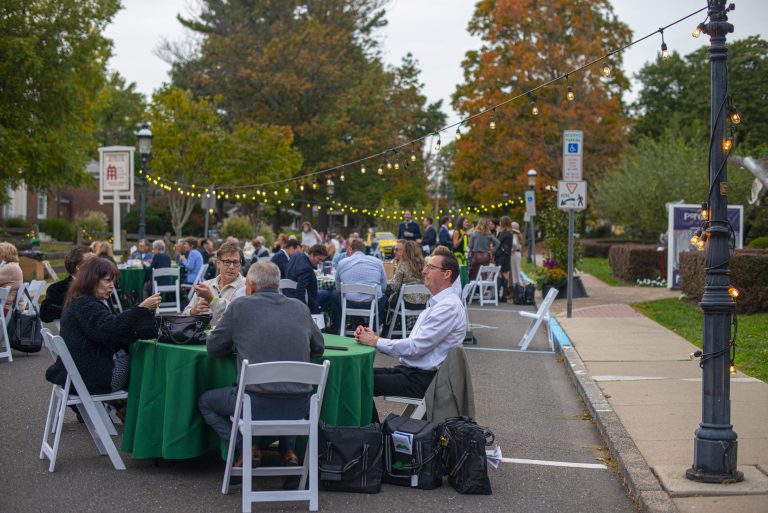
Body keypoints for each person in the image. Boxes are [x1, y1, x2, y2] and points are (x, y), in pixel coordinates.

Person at [198, 261, 324, 469]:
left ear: (251, 286)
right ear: (278, 285)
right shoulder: (300, 308)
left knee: (206, 401)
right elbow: (318, 348)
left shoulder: (240, 307)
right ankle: (288, 453)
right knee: (287, 388)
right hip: (300, 407)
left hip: (254, 405)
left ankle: (245, 449)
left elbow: (213, 348)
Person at [354, 252, 466, 422]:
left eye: (431, 267)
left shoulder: (448, 307)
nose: (424, 271)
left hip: (423, 380)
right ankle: (371, 436)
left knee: (357, 382)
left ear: (447, 274)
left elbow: (415, 347)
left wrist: (375, 341)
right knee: (356, 376)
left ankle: (372, 438)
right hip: (413, 373)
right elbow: (415, 345)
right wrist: (374, 337)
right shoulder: (439, 304)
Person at [46, 257, 161, 395]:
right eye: (107, 280)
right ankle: (140, 409)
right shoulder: (86, 305)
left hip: (76, 376)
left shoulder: (78, 301)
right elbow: (111, 331)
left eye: (113, 281)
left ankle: (121, 411)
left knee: (134, 357)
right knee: (145, 361)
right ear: (91, 280)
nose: (112, 285)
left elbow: (110, 331)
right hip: (94, 379)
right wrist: (141, 309)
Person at [330, 238, 388, 334]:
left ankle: (339, 328)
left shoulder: (342, 262)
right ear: (364, 250)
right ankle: (372, 328)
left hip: (349, 304)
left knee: (334, 294)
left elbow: (338, 287)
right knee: (385, 298)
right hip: (371, 304)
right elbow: (384, 286)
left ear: (351, 250)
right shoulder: (377, 262)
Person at [183, 241, 246, 325]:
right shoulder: (206, 285)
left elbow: (236, 315)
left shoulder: (246, 286)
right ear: (218, 263)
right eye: (227, 262)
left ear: (240, 264)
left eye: (235, 262)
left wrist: (211, 299)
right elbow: (183, 316)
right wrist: (193, 311)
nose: (231, 267)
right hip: (202, 336)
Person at [40, 247, 95, 323]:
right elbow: (45, 313)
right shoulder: (58, 288)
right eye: (92, 263)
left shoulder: (101, 284)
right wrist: (75, 310)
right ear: (78, 267)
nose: (97, 265)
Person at [385, 241, 428, 330]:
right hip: (424, 303)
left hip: (407, 304)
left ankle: (390, 329)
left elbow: (395, 287)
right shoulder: (425, 265)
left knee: (386, 299)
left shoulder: (403, 265)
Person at [284, 243, 327, 315]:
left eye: (322, 260)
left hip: (287, 294)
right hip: (303, 300)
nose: (320, 262)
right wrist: (304, 311)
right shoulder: (306, 268)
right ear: (312, 254)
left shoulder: (297, 255)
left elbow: (287, 270)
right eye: (319, 259)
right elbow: (300, 291)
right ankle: (321, 321)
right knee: (330, 294)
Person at [0, 242, 24, 314]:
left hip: (6, 309)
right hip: (11, 306)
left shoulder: (10, 267)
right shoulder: (14, 265)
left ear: (5, 254)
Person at [495, 217, 514, 301]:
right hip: (507, 256)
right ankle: (504, 295)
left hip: (501, 256)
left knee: (499, 274)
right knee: (504, 275)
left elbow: (497, 243)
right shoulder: (510, 233)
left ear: (503, 223)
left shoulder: (503, 233)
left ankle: (498, 295)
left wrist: (498, 233)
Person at [510, 221, 524, 287]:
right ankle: (519, 285)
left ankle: (518, 286)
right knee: (517, 270)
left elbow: (514, 244)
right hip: (518, 254)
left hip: (514, 254)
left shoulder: (513, 236)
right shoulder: (519, 236)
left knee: (514, 272)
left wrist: (511, 249)